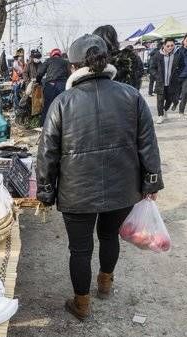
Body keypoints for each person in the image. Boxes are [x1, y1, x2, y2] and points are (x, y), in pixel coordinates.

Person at [35, 34, 164, 321]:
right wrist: (151, 181)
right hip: (122, 189)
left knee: (79, 249)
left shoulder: (62, 103)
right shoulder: (131, 96)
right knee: (109, 236)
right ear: (106, 62)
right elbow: (148, 143)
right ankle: (105, 284)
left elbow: (47, 153)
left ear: (73, 67)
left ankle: (81, 304)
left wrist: (45, 193)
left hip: (76, 193)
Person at [149, 38, 184, 124]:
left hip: (172, 82)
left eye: (172, 45)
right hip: (161, 82)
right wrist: (157, 76)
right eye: (168, 46)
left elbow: (182, 66)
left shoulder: (177, 55)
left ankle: (165, 110)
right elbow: (152, 68)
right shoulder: (157, 55)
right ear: (164, 45)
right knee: (160, 99)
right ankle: (160, 115)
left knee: (170, 99)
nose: (170, 47)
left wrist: (178, 75)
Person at [36, 48, 71, 125]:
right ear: (60, 55)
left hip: (51, 85)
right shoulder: (65, 62)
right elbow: (70, 75)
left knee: (48, 106)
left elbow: (39, 73)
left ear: (52, 54)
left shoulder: (49, 60)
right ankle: (64, 125)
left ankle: (43, 125)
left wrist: (38, 81)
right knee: (63, 107)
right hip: (62, 85)